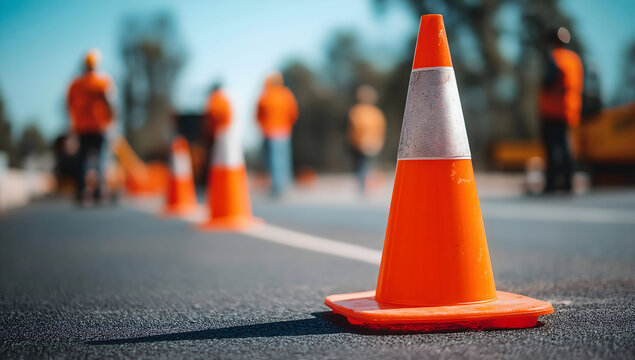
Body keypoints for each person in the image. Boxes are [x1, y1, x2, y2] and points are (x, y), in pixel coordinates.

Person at [66, 49, 116, 205]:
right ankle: (100, 190)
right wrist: (112, 121)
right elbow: (109, 103)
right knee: (100, 159)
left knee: (83, 161)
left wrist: (72, 126)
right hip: (100, 127)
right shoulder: (102, 82)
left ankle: (83, 190)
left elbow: (69, 106)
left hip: (82, 128)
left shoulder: (76, 84)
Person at [539, 27, 583, 193]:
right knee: (565, 146)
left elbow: (548, 81)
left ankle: (551, 184)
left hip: (552, 111)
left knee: (552, 149)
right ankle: (568, 182)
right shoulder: (574, 60)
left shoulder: (555, 57)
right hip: (569, 110)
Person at [256, 72, 298, 197]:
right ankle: (284, 185)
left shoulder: (266, 95)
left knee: (273, 160)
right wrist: (288, 126)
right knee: (283, 159)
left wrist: (263, 127)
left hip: (270, 132)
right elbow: (293, 112)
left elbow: (258, 114)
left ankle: (277, 187)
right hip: (284, 131)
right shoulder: (286, 94)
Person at [348, 85, 386, 194]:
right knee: (368, 165)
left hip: (360, 143)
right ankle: (366, 186)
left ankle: (362, 188)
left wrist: (353, 141)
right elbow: (381, 129)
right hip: (373, 143)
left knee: (361, 166)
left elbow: (354, 128)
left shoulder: (356, 111)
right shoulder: (376, 112)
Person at [203, 82, 232, 181]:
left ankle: (215, 180)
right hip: (219, 133)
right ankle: (217, 179)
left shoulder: (213, 100)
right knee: (220, 158)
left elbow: (209, 116)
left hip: (215, 133)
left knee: (215, 159)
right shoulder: (222, 100)